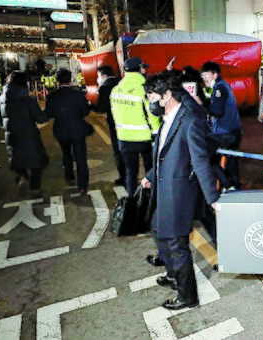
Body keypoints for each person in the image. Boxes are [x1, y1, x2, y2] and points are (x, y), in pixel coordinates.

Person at [141, 71, 219, 310]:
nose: (150, 102)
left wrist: (212, 198)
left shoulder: (189, 121)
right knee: (157, 228)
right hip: (163, 187)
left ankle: (187, 296)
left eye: (152, 96)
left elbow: (200, 161)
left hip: (178, 192)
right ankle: (174, 275)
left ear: (167, 95)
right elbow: (162, 153)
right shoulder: (167, 118)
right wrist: (149, 176)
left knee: (176, 243)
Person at [111, 57, 160, 195]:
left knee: (131, 172)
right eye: (143, 68)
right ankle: (151, 199)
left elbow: (115, 113)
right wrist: (156, 133)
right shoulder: (144, 88)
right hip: (144, 138)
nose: (145, 70)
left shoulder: (116, 89)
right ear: (138, 69)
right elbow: (152, 113)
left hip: (124, 138)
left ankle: (132, 201)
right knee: (150, 171)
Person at [0, 71, 48, 196]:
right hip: (29, 134)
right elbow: (39, 117)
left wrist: (9, 127)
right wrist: (47, 112)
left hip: (12, 135)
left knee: (18, 159)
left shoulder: (1, 99)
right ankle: (35, 188)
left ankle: (23, 177)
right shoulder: (27, 100)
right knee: (36, 161)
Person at [45, 68, 90, 194]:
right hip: (77, 129)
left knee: (66, 154)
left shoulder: (53, 96)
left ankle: (69, 177)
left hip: (61, 130)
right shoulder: (78, 94)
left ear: (57, 81)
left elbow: (49, 113)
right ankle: (82, 186)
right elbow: (86, 111)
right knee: (81, 158)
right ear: (70, 80)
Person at [201, 61, 243, 188]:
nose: (204, 78)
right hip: (235, 131)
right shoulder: (224, 85)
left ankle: (227, 184)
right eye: (202, 76)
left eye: (206, 75)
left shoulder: (219, 88)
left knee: (206, 157)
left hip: (225, 133)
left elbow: (217, 111)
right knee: (232, 161)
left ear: (215, 74)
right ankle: (235, 187)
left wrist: (204, 104)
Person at [91, 65, 124, 185]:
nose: (97, 80)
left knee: (118, 150)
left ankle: (123, 176)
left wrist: (89, 105)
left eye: (98, 77)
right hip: (131, 121)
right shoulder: (122, 83)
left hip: (115, 123)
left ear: (103, 76)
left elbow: (101, 108)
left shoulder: (104, 87)